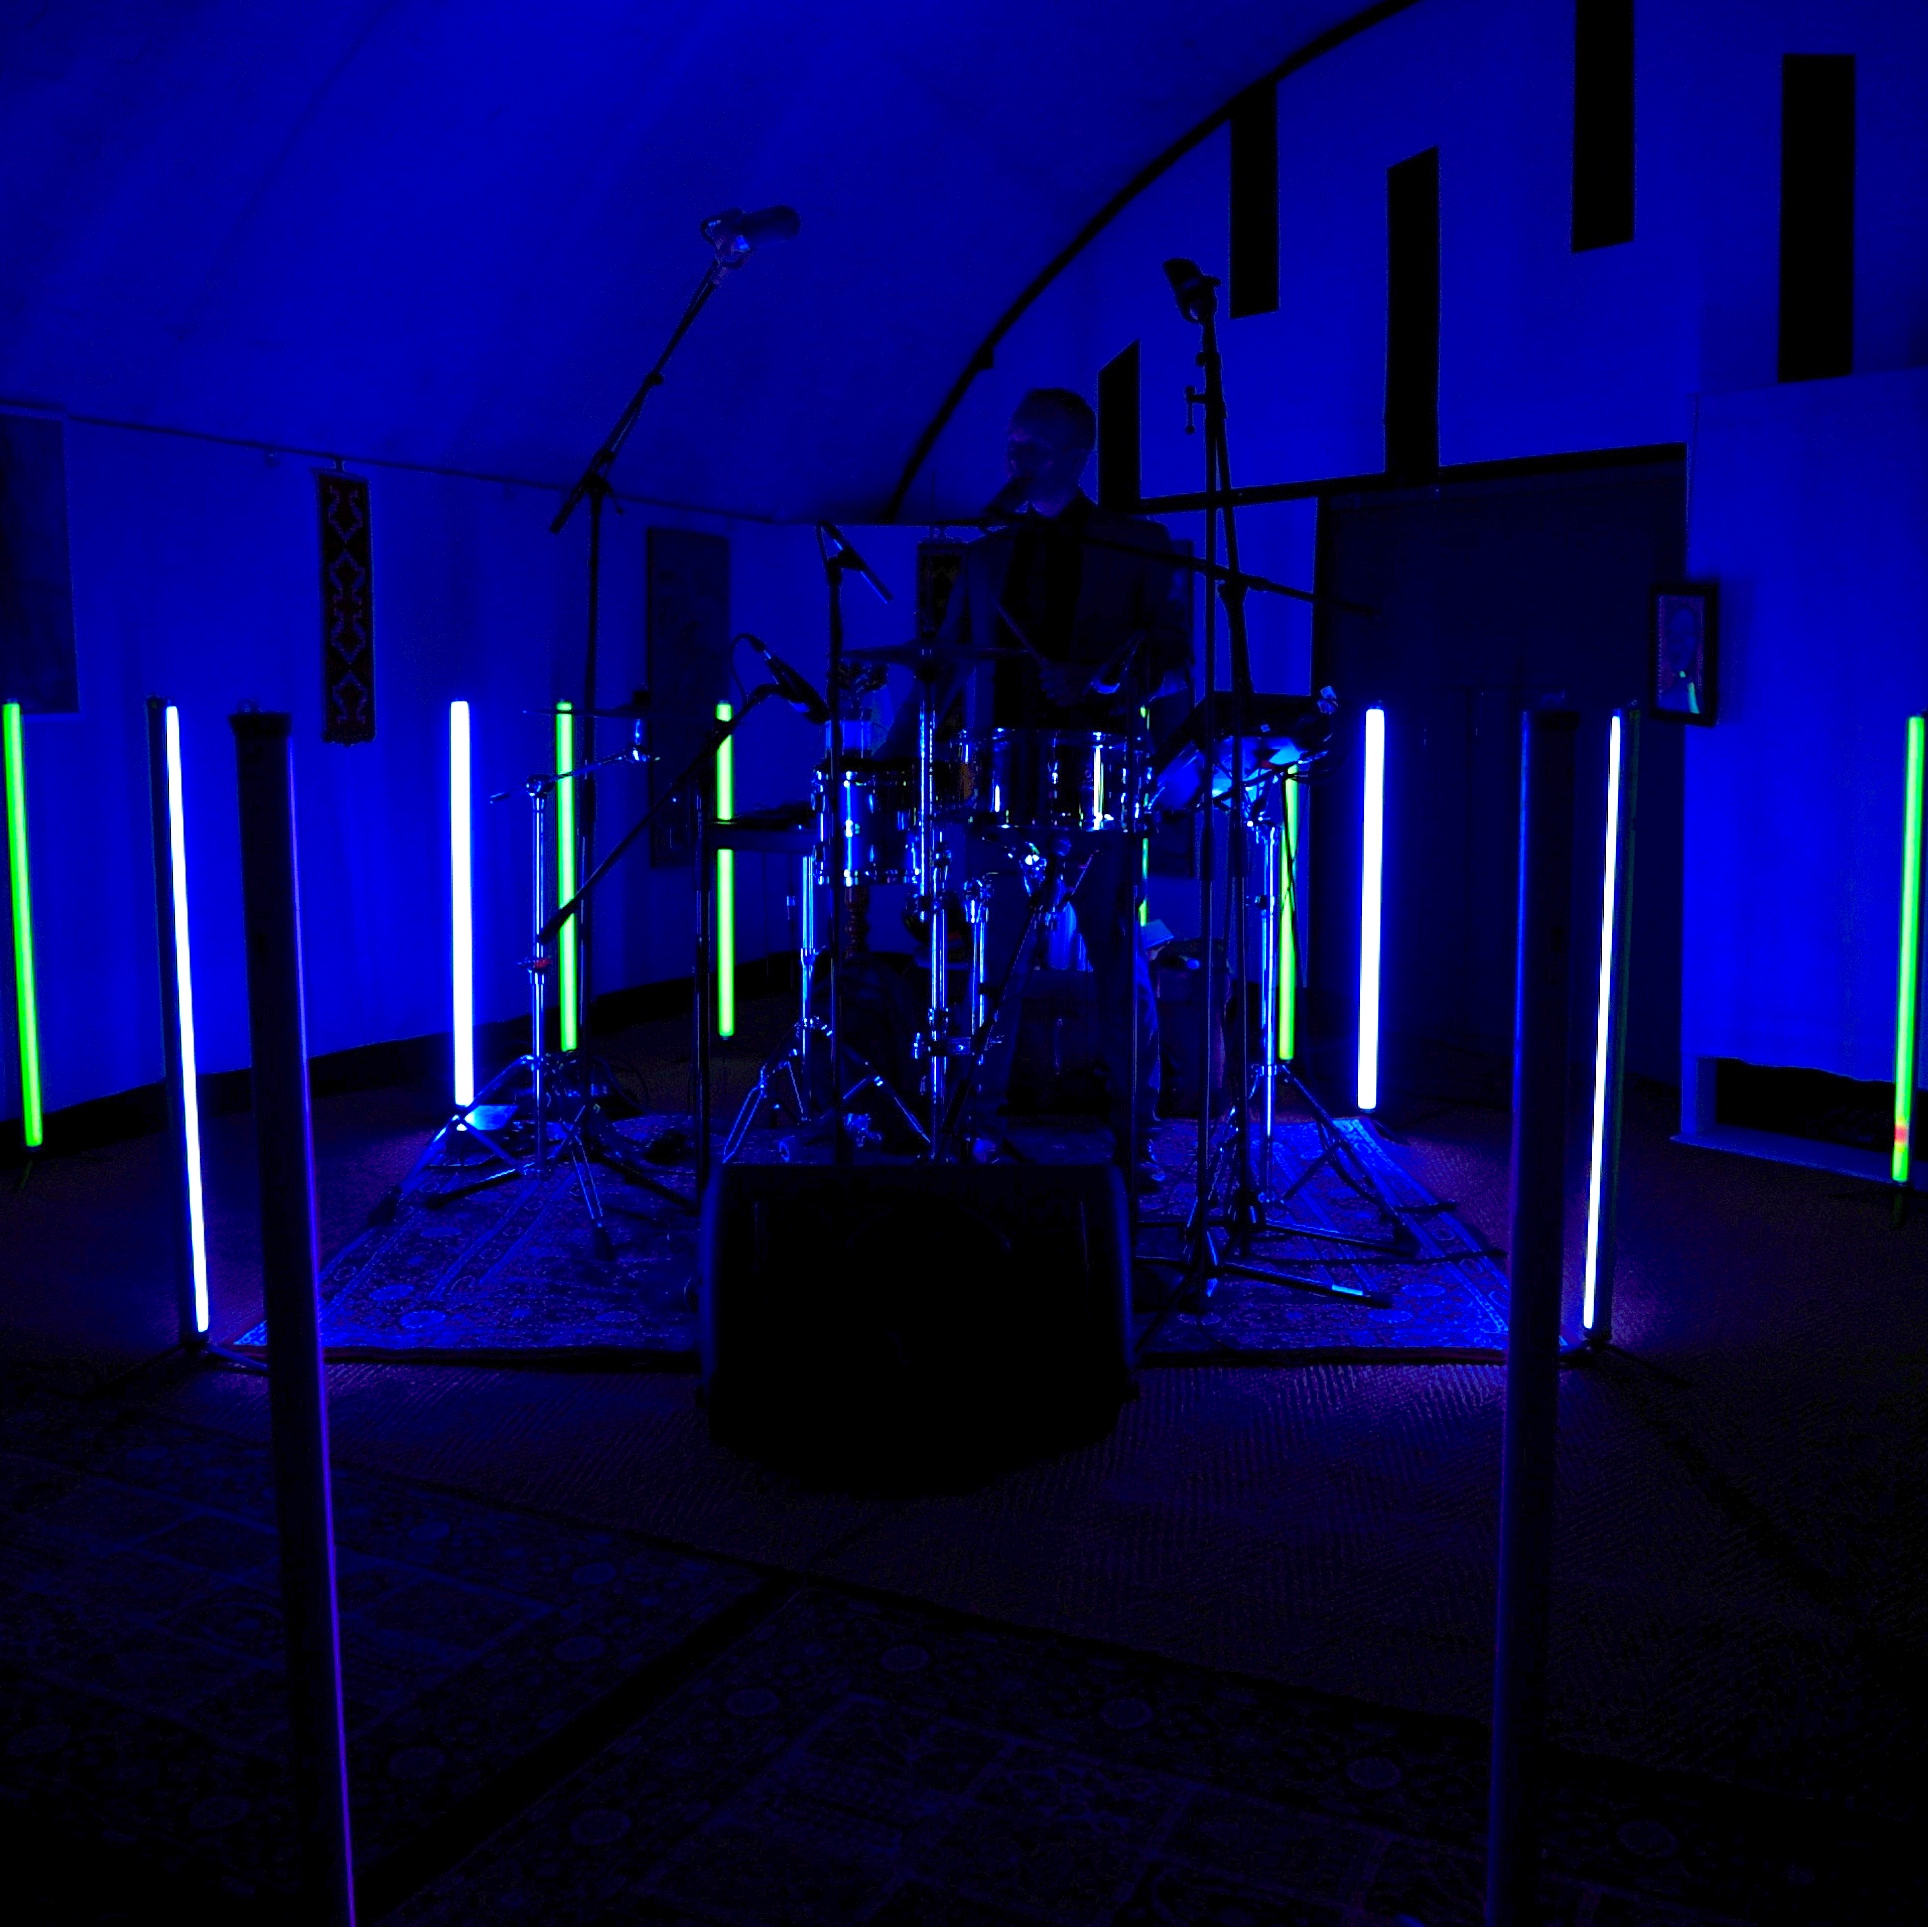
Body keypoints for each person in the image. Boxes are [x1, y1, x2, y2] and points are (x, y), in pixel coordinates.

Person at [900, 387, 1191, 1178]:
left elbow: (1175, 666)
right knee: (993, 969)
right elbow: (950, 668)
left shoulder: (1141, 545)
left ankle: (1136, 1137)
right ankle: (978, 1127)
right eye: (1012, 444)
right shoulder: (986, 557)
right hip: (999, 787)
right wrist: (891, 756)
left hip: (1102, 786)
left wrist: (1099, 684)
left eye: (1027, 447)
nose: (1012, 460)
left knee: (1118, 961)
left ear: (1072, 453)